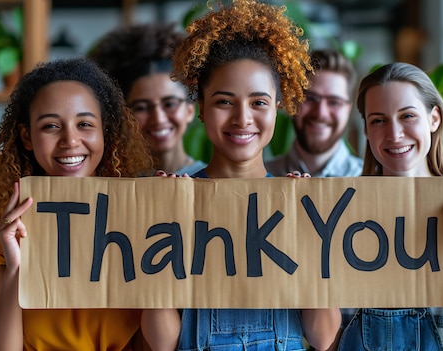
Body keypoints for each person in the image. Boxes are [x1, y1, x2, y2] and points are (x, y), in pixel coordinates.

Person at [142, 0, 342, 350]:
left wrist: (312, 237)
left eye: (258, 102)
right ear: (200, 108)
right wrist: (163, 222)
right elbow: (162, 342)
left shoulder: (303, 202)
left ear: (279, 106)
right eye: (223, 101)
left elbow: (323, 338)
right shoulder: (174, 198)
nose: (242, 118)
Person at [0, 57, 155, 350]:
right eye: (51, 126)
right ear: (27, 136)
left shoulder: (141, 212)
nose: (70, 141)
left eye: (85, 124)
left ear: (106, 131)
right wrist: (16, 268)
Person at [338, 62, 443, 350]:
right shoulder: (340, 206)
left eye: (408, 116)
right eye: (379, 120)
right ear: (365, 129)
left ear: (434, 118)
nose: (395, 134)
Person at [88, 23, 207, 176]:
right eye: (142, 107)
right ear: (123, 116)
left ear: (190, 110)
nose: (158, 118)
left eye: (170, 104)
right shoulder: (116, 185)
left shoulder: (211, 181)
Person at [266, 48, 363, 177]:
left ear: (348, 109)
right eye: (310, 98)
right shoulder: (262, 179)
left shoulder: (369, 180)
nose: (320, 113)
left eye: (334, 102)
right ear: (293, 101)